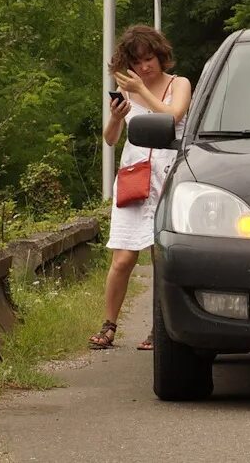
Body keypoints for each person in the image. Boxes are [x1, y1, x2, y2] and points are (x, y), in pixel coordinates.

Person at [90, 23, 191, 351]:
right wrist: (117, 117)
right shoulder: (128, 93)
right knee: (122, 259)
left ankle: (160, 327)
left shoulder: (180, 85)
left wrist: (143, 92)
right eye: (137, 61)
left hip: (169, 180)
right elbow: (110, 140)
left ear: (161, 56)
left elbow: (172, 117)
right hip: (135, 179)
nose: (145, 66)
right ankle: (108, 325)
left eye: (150, 58)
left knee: (162, 259)